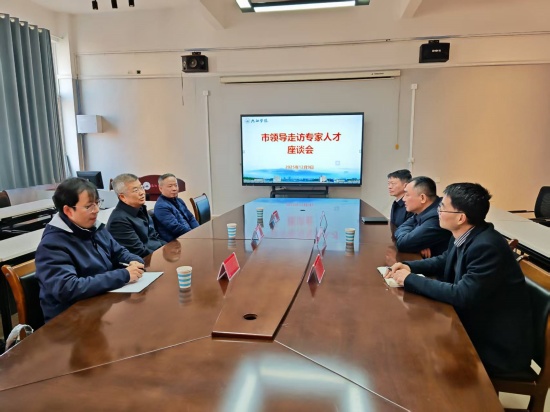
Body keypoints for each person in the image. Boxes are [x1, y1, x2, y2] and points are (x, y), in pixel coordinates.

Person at [386, 183, 533, 376]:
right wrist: (409, 266)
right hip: (473, 323)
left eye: (442, 207)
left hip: (496, 345)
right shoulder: (466, 233)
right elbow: (444, 259)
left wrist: (410, 279)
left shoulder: (487, 246)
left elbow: (462, 294)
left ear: (461, 218)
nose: (437, 211)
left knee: (417, 354)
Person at [35, 177, 145, 322]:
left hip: (101, 306)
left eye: (97, 203)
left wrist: (134, 260)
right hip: (70, 320)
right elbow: (68, 288)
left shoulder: (95, 228)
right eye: (89, 206)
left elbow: (119, 252)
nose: (96, 210)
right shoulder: (52, 245)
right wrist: (123, 275)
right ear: (68, 210)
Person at [107, 173, 166, 257]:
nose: (142, 192)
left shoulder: (140, 209)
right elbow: (139, 252)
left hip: (157, 254)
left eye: (141, 187)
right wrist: (162, 256)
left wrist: (168, 248)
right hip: (145, 260)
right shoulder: (119, 221)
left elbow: (155, 237)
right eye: (135, 190)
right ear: (123, 197)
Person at [394, 176, 451, 257]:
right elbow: (402, 227)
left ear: (422, 198)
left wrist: (414, 242)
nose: (403, 199)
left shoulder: (437, 216)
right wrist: (418, 244)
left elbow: (403, 244)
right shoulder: (423, 210)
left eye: (407, 195)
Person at [153, 173, 199, 242]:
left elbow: (191, 218)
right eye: (170, 186)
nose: (174, 189)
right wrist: (194, 235)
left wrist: (198, 231)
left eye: (176, 185)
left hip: (189, 236)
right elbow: (176, 228)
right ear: (160, 188)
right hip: (176, 242)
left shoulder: (179, 200)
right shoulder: (161, 207)